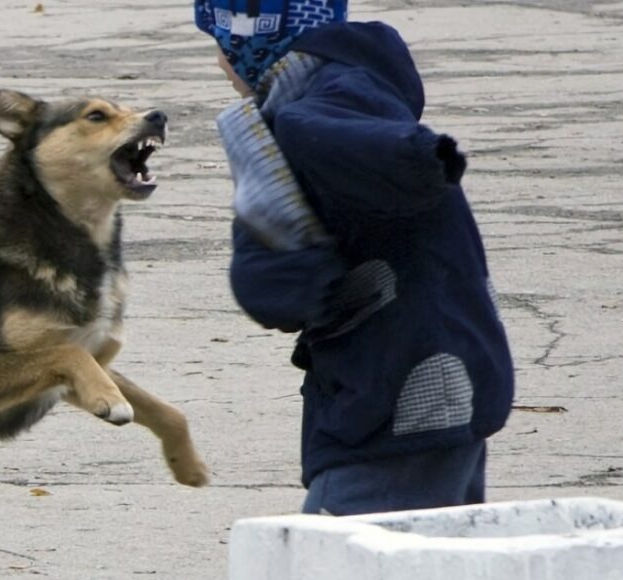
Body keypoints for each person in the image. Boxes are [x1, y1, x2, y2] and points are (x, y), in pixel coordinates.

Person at [195, 0, 514, 516]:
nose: (217, 62)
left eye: (216, 42)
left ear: (244, 43)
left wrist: (413, 158)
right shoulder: (356, 82)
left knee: (332, 555)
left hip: (400, 402)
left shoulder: (302, 121)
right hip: (449, 374)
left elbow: (278, 292)